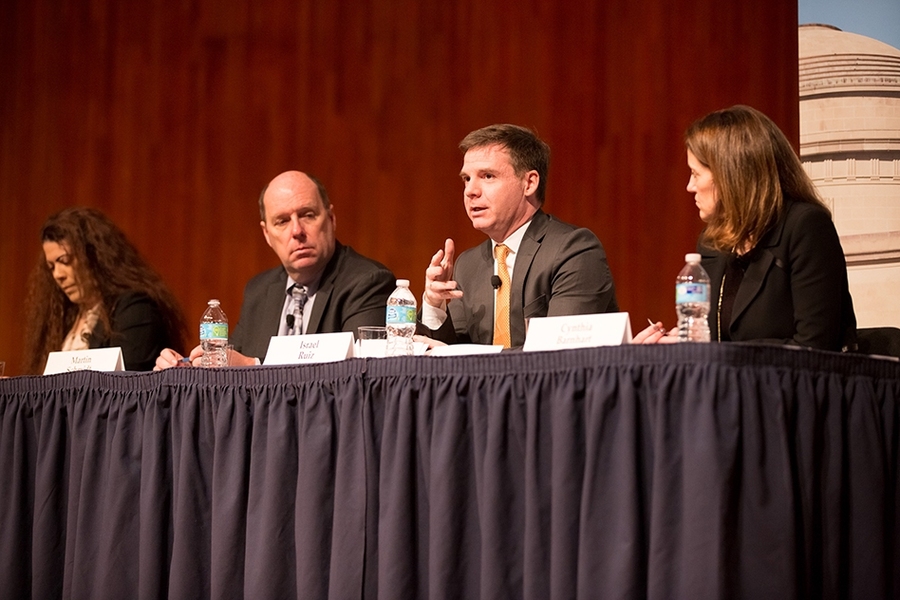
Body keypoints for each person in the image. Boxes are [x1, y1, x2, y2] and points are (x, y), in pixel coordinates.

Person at [634, 105, 857, 351]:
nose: (689, 186)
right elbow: (714, 340)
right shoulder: (712, 242)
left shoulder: (806, 227)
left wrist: (724, 352)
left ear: (729, 175)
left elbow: (814, 347)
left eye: (695, 174)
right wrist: (683, 343)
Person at [155, 171, 396, 368]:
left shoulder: (367, 282)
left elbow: (358, 372)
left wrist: (254, 365)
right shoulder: (259, 290)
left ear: (331, 219)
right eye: (282, 221)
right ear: (267, 234)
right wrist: (190, 366)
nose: (297, 231)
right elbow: (231, 360)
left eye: (308, 215)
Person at [418, 124, 618, 348]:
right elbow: (450, 354)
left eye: (487, 176)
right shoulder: (468, 265)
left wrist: (470, 357)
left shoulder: (573, 250)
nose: (470, 191)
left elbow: (560, 353)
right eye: (466, 179)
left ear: (529, 183)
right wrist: (434, 305)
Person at [22, 207, 188, 373]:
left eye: (65, 261)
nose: (58, 275)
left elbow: (128, 381)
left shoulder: (134, 309)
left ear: (92, 255)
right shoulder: (65, 317)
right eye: (51, 267)